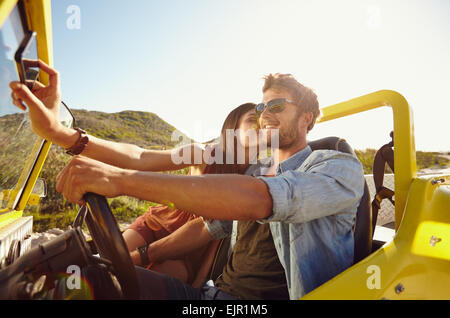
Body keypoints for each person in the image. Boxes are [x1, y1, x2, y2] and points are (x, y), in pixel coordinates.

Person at [10, 66, 365, 299]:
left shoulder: (336, 167)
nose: (265, 116)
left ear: (307, 118)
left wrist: (121, 181)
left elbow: (264, 200)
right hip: (213, 294)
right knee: (77, 277)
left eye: (278, 106)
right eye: (261, 109)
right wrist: (60, 132)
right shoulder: (244, 164)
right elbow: (144, 158)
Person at [122, 102, 258, 285]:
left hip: (191, 251)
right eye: (252, 119)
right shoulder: (204, 154)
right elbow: (143, 158)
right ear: (233, 127)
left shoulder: (255, 179)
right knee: (111, 264)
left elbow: (219, 235)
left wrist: (199, 282)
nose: (259, 126)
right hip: (157, 226)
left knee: (150, 284)